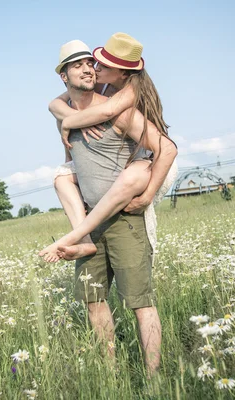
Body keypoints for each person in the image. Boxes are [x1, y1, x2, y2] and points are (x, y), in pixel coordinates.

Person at [45, 37, 177, 377]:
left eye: (91, 63)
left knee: (140, 303)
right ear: (63, 76)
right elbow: (71, 164)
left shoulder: (119, 110)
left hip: (125, 220)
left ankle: (153, 379)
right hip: (91, 219)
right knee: (93, 301)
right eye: (78, 64)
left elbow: (165, 148)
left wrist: (146, 196)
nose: (88, 68)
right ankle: (111, 375)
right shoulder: (65, 116)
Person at [39, 33, 178, 263]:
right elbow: (57, 102)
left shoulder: (132, 89)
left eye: (103, 64)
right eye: (97, 61)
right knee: (62, 177)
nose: (95, 67)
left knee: (132, 175)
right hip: (133, 158)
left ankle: (72, 236)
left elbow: (106, 113)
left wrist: (71, 121)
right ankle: (85, 242)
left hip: (154, 159)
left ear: (122, 72)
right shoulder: (102, 83)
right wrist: (64, 114)